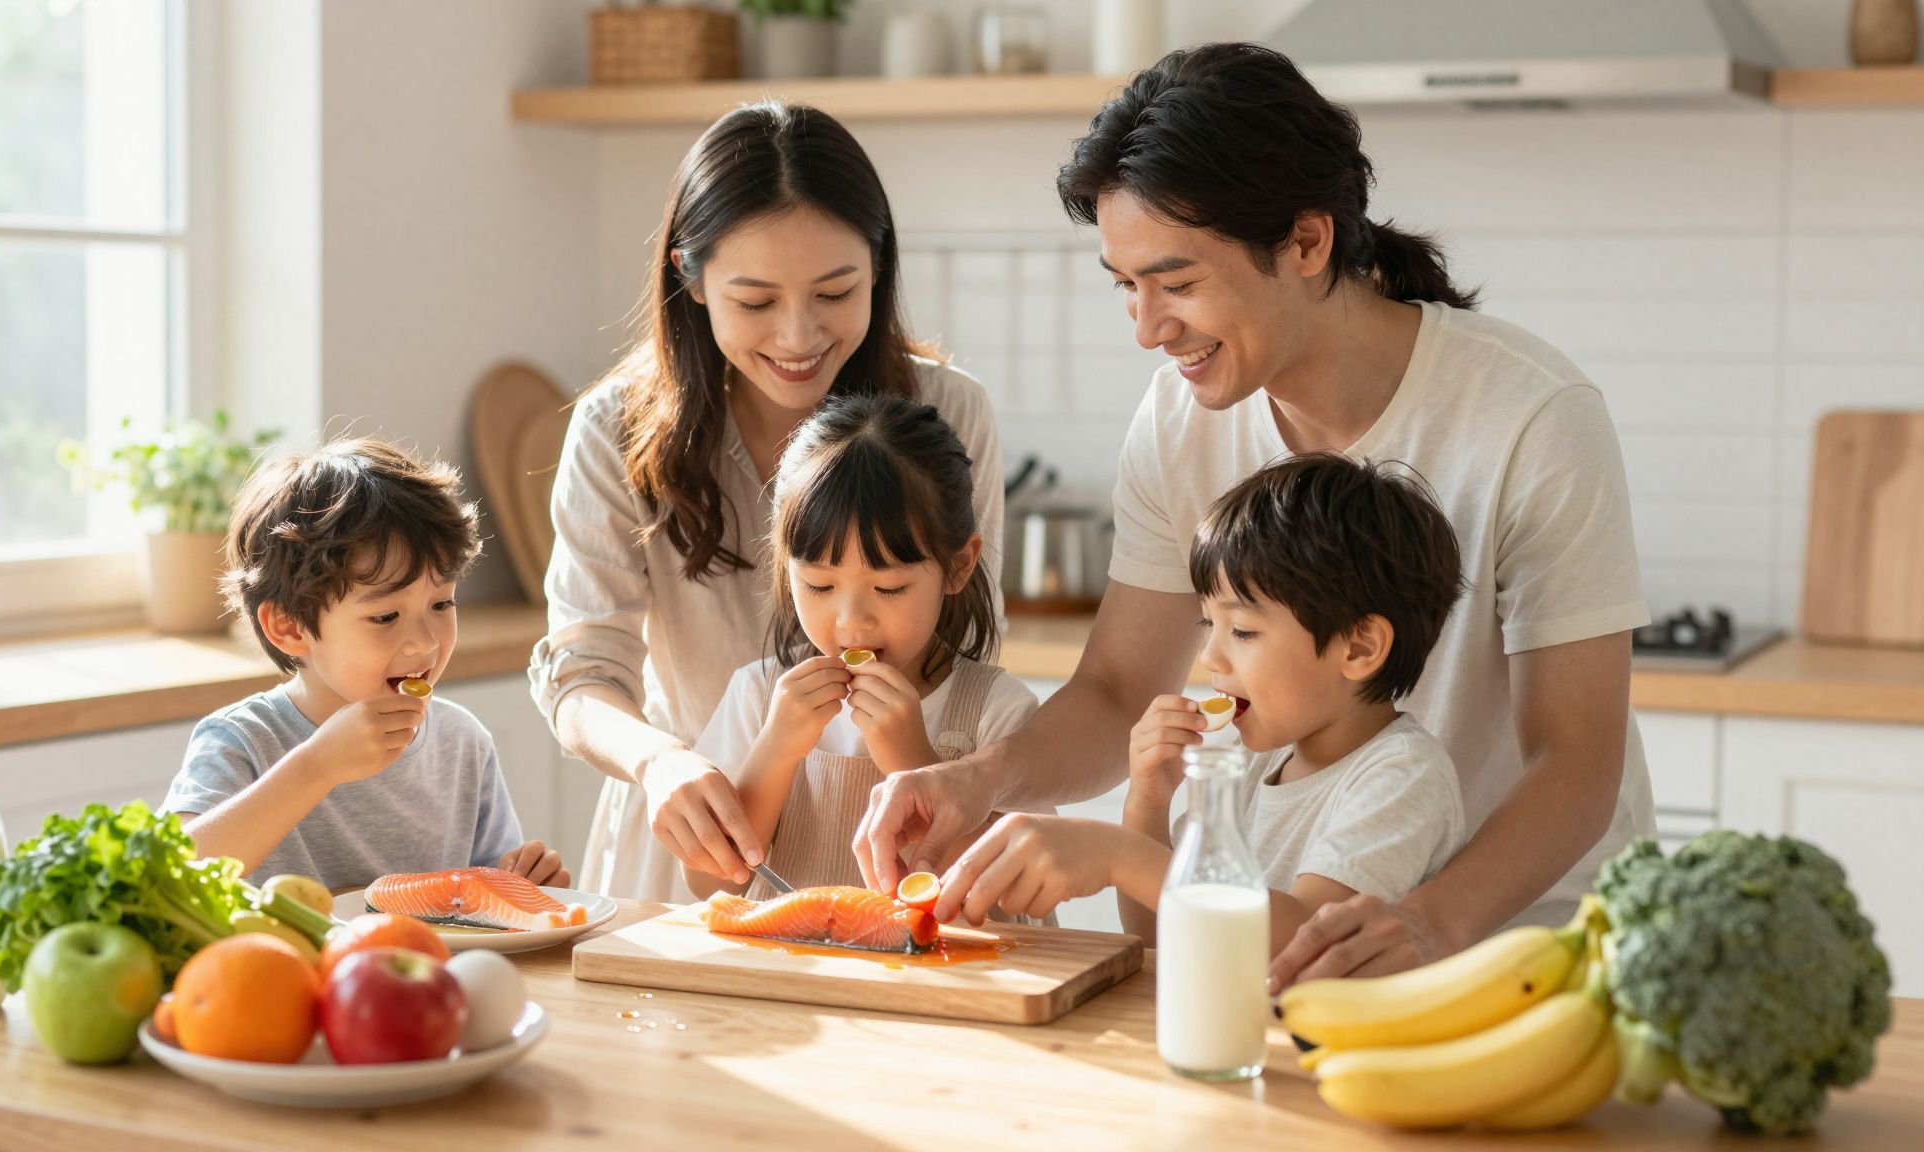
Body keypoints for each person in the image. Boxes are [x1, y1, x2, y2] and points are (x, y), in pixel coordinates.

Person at [857, 43, 1655, 987]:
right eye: (1126, 286)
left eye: (1178, 282)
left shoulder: (1528, 414)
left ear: (1308, 243)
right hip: (1288, 953)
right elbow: (1116, 692)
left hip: (1521, 946)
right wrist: (977, 781)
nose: (1150, 328)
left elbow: (1574, 764)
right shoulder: (1175, 421)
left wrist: (1426, 925)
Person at [531, 102, 1004, 903]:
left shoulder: (946, 414)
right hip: (697, 835)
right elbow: (581, 674)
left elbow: (963, 659)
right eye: (754, 302)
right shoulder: (617, 428)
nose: (798, 335)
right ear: (691, 276)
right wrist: (661, 761)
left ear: (879, 269)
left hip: (890, 843)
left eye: (835, 292)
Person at [930, 453, 1468, 957]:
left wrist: (1118, 854)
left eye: (1245, 631)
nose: (1211, 655)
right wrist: (1148, 803)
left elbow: (1306, 936)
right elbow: (1158, 940)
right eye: (1211, 625)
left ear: (1360, 647)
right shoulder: (1254, 765)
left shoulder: (1400, 776)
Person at [161, 438, 569, 889]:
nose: (425, 642)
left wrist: (521, 883)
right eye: (385, 616)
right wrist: (317, 767)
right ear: (289, 627)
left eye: (442, 604)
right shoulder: (243, 742)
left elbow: (483, 893)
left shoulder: (462, 742)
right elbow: (174, 873)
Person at [681, 394, 1037, 900]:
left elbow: (1007, 903)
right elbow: (707, 882)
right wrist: (777, 748)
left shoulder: (996, 713)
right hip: (788, 974)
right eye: (820, 587)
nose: (851, 621)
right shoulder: (758, 695)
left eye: (889, 588)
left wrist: (915, 764)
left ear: (958, 566)